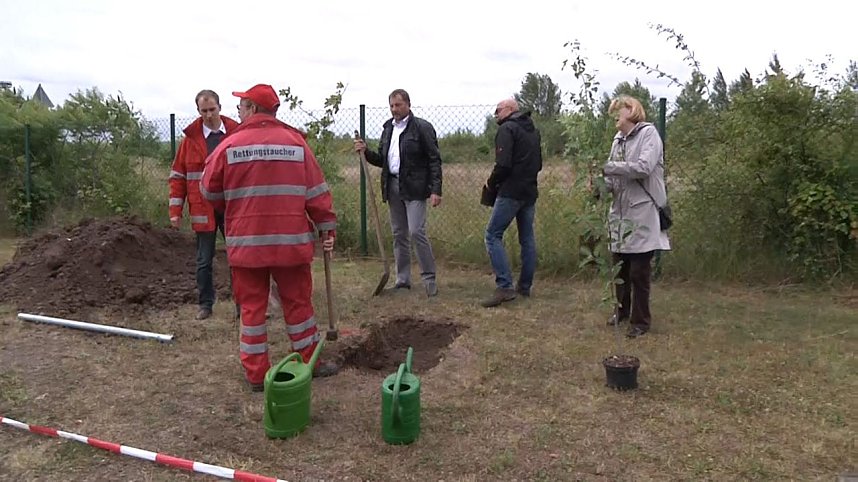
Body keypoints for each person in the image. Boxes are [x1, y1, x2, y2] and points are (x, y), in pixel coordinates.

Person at [200, 83, 339, 391]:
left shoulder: (229, 146)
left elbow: (208, 190)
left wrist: (235, 202)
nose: (238, 112)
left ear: (252, 109)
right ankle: (308, 361)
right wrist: (326, 226)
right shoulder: (296, 144)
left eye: (241, 106)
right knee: (299, 305)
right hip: (290, 244)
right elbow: (317, 192)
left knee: (252, 309)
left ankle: (255, 375)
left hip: (247, 245)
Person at [353, 89, 442, 297]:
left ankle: (429, 278)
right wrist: (365, 152)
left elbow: (434, 159)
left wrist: (436, 189)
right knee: (398, 234)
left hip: (415, 187)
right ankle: (402, 280)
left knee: (416, 231)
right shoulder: (388, 129)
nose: (394, 109)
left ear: (408, 105)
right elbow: (383, 160)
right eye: (392, 106)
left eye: (398, 105)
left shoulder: (422, 128)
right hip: (393, 185)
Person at [600, 95, 671, 338]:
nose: (615, 117)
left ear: (632, 111)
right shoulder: (617, 140)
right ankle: (622, 312)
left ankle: (640, 321)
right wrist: (599, 187)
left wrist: (609, 167)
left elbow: (643, 168)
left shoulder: (649, 135)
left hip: (642, 212)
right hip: (619, 213)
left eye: (617, 111)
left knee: (638, 271)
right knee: (620, 268)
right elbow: (611, 179)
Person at [169, 90, 240, 320]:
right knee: (203, 261)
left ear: (220, 107)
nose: (209, 115)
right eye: (204, 111)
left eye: (212, 110)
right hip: (203, 209)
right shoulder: (189, 142)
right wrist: (175, 211)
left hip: (233, 207)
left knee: (239, 259)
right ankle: (205, 305)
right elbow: (178, 177)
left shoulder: (236, 134)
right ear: (198, 111)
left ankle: (243, 306)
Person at [480, 99, 543, 308]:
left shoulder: (507, 129)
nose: (495, 114)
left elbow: (503, 164)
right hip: (529, 191)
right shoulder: (533, 131)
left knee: (492, 235)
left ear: (509, 110)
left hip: (511, 191)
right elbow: (539, 163)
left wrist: (491, 182)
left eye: (497, 110)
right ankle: (524, 286)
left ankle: (505, 286)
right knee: (527, 238)